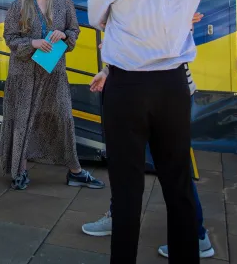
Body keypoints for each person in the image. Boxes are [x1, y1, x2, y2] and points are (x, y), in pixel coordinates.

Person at [88, 0, 205, 264]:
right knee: (178, 183)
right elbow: (185, 15)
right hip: (173, 84)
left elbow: (96, 18)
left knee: (126, 186)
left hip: (127, 86)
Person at [85, 15, 215, 259]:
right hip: (137, 94)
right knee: (128, 169)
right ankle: (119, 216)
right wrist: (108, 69)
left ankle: (197, 236)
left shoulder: (163, 0)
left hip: (165, 95)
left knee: (175, 172)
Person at [0, 0, 104, 191]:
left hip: (54, 72)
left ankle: (75, 171)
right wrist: (33, 42)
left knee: (64, 119)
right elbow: (10, 39)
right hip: (24, 73)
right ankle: (20, 171)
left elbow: (74, 30)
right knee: (23, 120)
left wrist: (64, 35)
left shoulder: (63, 3)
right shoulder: (18, 7)